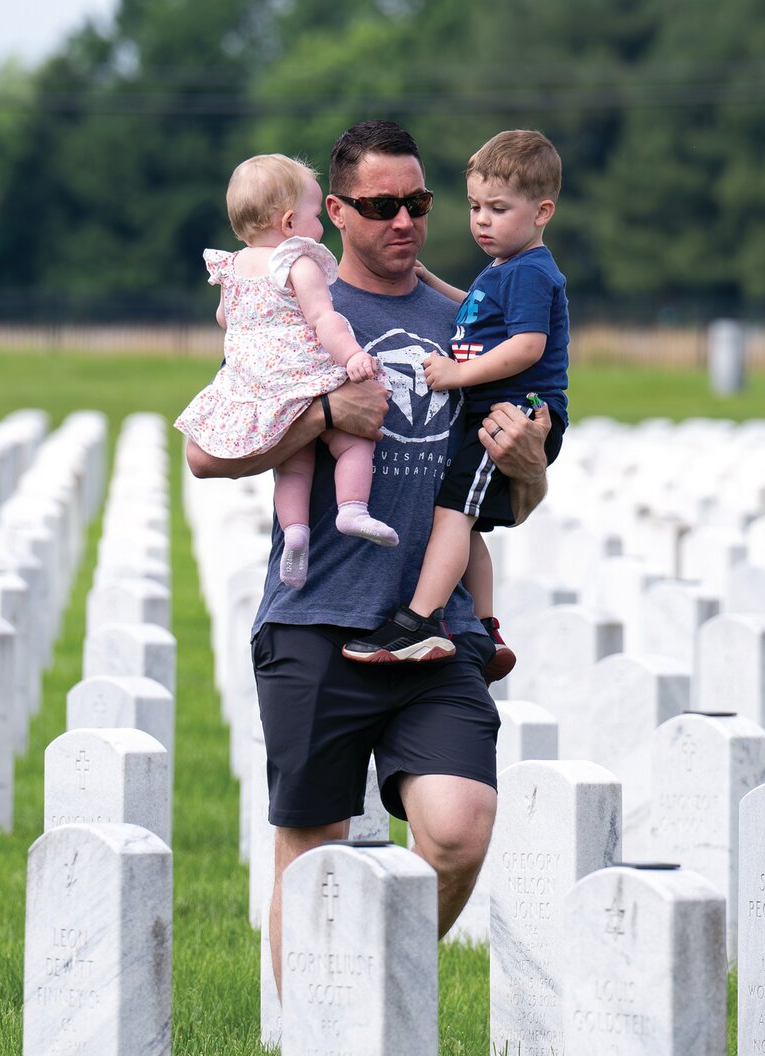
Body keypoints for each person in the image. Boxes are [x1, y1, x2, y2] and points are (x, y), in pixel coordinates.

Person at [184, 119, 554, 995]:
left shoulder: (469, 317)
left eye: (418, 204)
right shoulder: (292, 309)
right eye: (383, 206)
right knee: (312, 852)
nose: (406, 222)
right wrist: (322, 419)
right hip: (315, 621)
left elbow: (506, 500)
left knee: (461, 827)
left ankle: (369, 995)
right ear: (334, 213)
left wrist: (530, 471)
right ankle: (325, 1030)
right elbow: (204, 454)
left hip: (431, 628)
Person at [342, 130, 569, 677]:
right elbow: (478, 311)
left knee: (451, 511)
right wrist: (431, 281)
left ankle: (419, 621)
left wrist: (457, 373)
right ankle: (487, 629)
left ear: (542, 212)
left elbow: (526, 346)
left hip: (511, 415)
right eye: (473, 207)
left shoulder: (533, 271)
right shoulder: (505, 271)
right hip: (496, 415)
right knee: (463, 526)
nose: (482, 221)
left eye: (498, 208)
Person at [174, 154, 398, 593]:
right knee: (353, 439)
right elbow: (324, 319)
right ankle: (352, 508)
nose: (321, 228)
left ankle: (296, 531)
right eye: (317, 216)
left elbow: (225, 318)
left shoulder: (232, 268)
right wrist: (352, 356)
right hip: (305, 376)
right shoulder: (298, 261)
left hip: (258, 387)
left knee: (292, 465)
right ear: (292, 223)